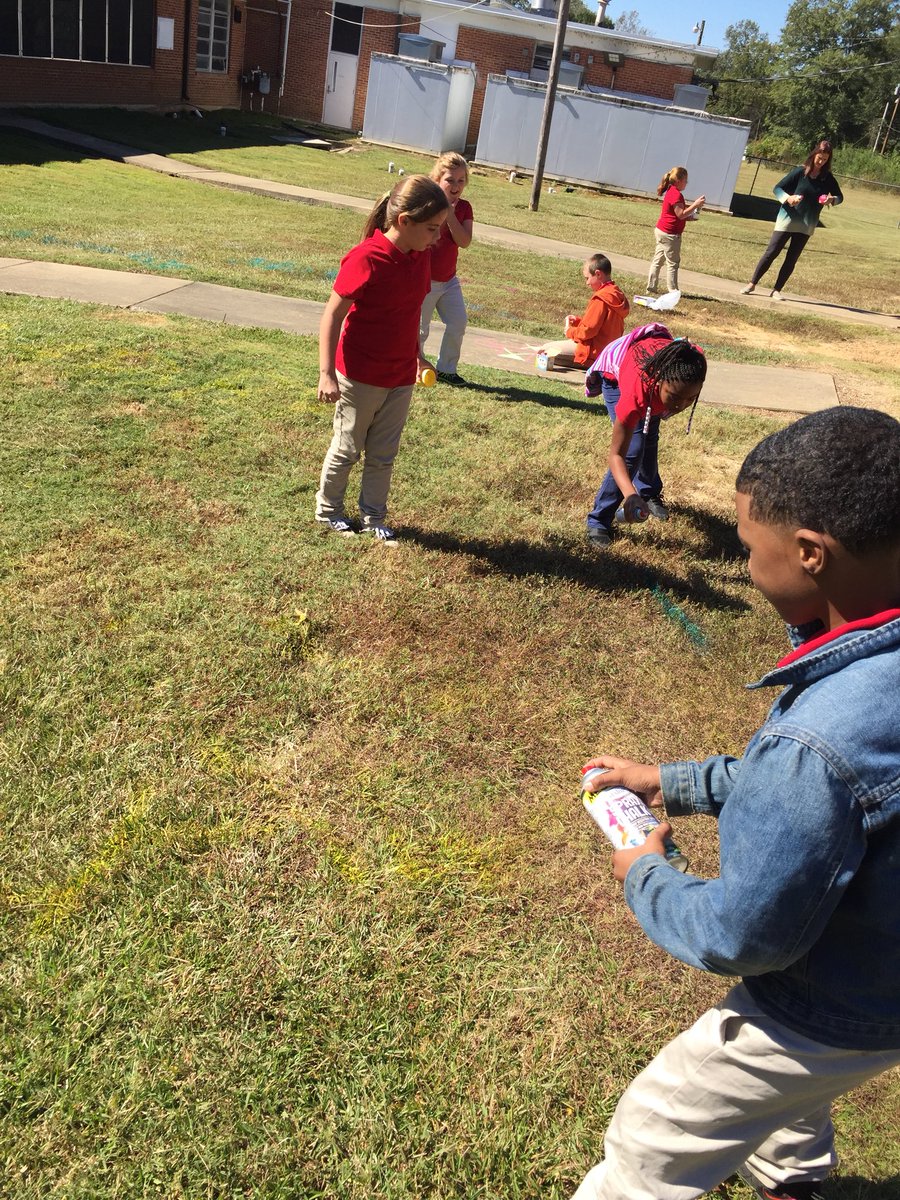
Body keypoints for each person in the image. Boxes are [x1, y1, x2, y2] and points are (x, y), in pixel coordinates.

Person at [573, 405, 900, 1200]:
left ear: (810, 554)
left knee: (654, 1134)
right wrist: (671, 782)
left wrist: (646, 870)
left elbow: (744, 937)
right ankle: (791, 1182)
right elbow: (848, 795)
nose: (749, 567)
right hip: (884, 981)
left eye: (751, 551)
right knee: (798, 1094)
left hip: (822, 1005)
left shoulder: (820, 739)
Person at [315, 175, 449, 543]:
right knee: (347, 448)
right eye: (432, 229)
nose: (437, 238)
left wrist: (418, 357)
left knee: (384, 454)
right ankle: (329, 511)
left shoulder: (419, 257)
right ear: (404, 222)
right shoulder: (366, 258)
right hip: (360, 375)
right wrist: (327, 374)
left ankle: (373, 515)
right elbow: (332, 316)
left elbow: (409, 315)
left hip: (401, 375)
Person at [584, 326, 706, 548]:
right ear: (658, 381)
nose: (680, 406)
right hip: (616, 372)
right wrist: (629, 495)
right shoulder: (636, 393)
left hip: (652, 377)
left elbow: (685, 348)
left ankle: (648, 493)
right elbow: (617, 455)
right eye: (675, 397)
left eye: (691, 399)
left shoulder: (690, 366)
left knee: (649, 436)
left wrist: (674, 397)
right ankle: (599, 520)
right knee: (634, 448)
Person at [741, 139, 843, 301]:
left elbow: (840, 197)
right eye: (819, 157)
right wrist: (788, 199)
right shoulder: (800, 172)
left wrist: (831, 200)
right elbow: (777, 188)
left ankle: (777, 290)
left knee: (792, 258)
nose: (821, 161)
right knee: (772, 252)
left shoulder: (827, 178)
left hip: (807, 224)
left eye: (825, 159)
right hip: (787, 219)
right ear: (814, 153)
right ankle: (752, 283)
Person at [418, 151, 473, 386]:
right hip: (425, 278)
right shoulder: (426, 203)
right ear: (438, 179)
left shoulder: (464, 208)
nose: (455, 185)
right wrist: (441, 209)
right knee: (420, 328)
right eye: (450, 179)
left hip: (449, 280)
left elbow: (464, 241)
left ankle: (447, 369)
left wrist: (450, 214)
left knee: (458, 321)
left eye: (461, 180)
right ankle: (414, 365)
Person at [537, 254, 630, 371]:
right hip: (609, 351)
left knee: (544, 350)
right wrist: (578, 321)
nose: (587, 283)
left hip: (594, 353)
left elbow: (589, 331)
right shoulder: (616, 293)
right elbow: (602, 326)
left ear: (598, 274)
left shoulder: (601, 298)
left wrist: (570, 331)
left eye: (587, 278)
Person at [647, 166, 705, 295]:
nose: (687, 183)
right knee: (673, 263)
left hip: (662, 230)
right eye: (685, 180)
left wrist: (690, 217)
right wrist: (695, 205)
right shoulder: (676, 194)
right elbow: (680, 214)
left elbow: (677, 215)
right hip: (670, 234)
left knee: (658, 260)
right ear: (678, 180)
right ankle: (673, 291)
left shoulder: (671, 191)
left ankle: (651, 287)